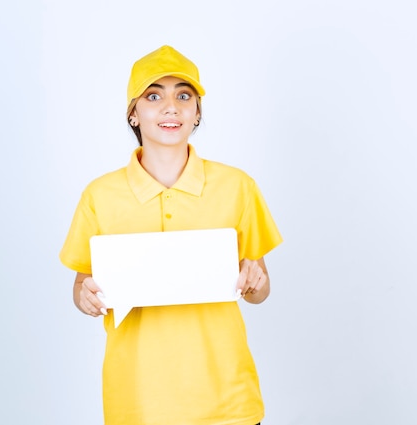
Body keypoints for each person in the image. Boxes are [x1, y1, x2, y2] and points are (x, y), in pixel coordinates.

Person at [59, 45, 282, 425]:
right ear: (134, 113)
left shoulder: (236, 187)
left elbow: (259, 290)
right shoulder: (100, 195)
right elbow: (83, 285)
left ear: (196, 113)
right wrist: (85, 296)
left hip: (227, 401)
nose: (171, 107)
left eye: (184, 95)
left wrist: (255, 280)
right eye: (153, 96)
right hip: (137, 402)